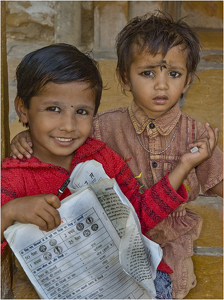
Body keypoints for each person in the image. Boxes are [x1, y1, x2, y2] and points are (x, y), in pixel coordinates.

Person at [8, 10, 222, 297]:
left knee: (163, 284)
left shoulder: (190, 137)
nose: (161, 84)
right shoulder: (95, 133)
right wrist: (27, 136)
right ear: (124, 78)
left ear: (187, 80)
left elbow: (142, 212)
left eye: (173, 73)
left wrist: (186, 167)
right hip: (83, 265)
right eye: (148, 73)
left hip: (153, 252)